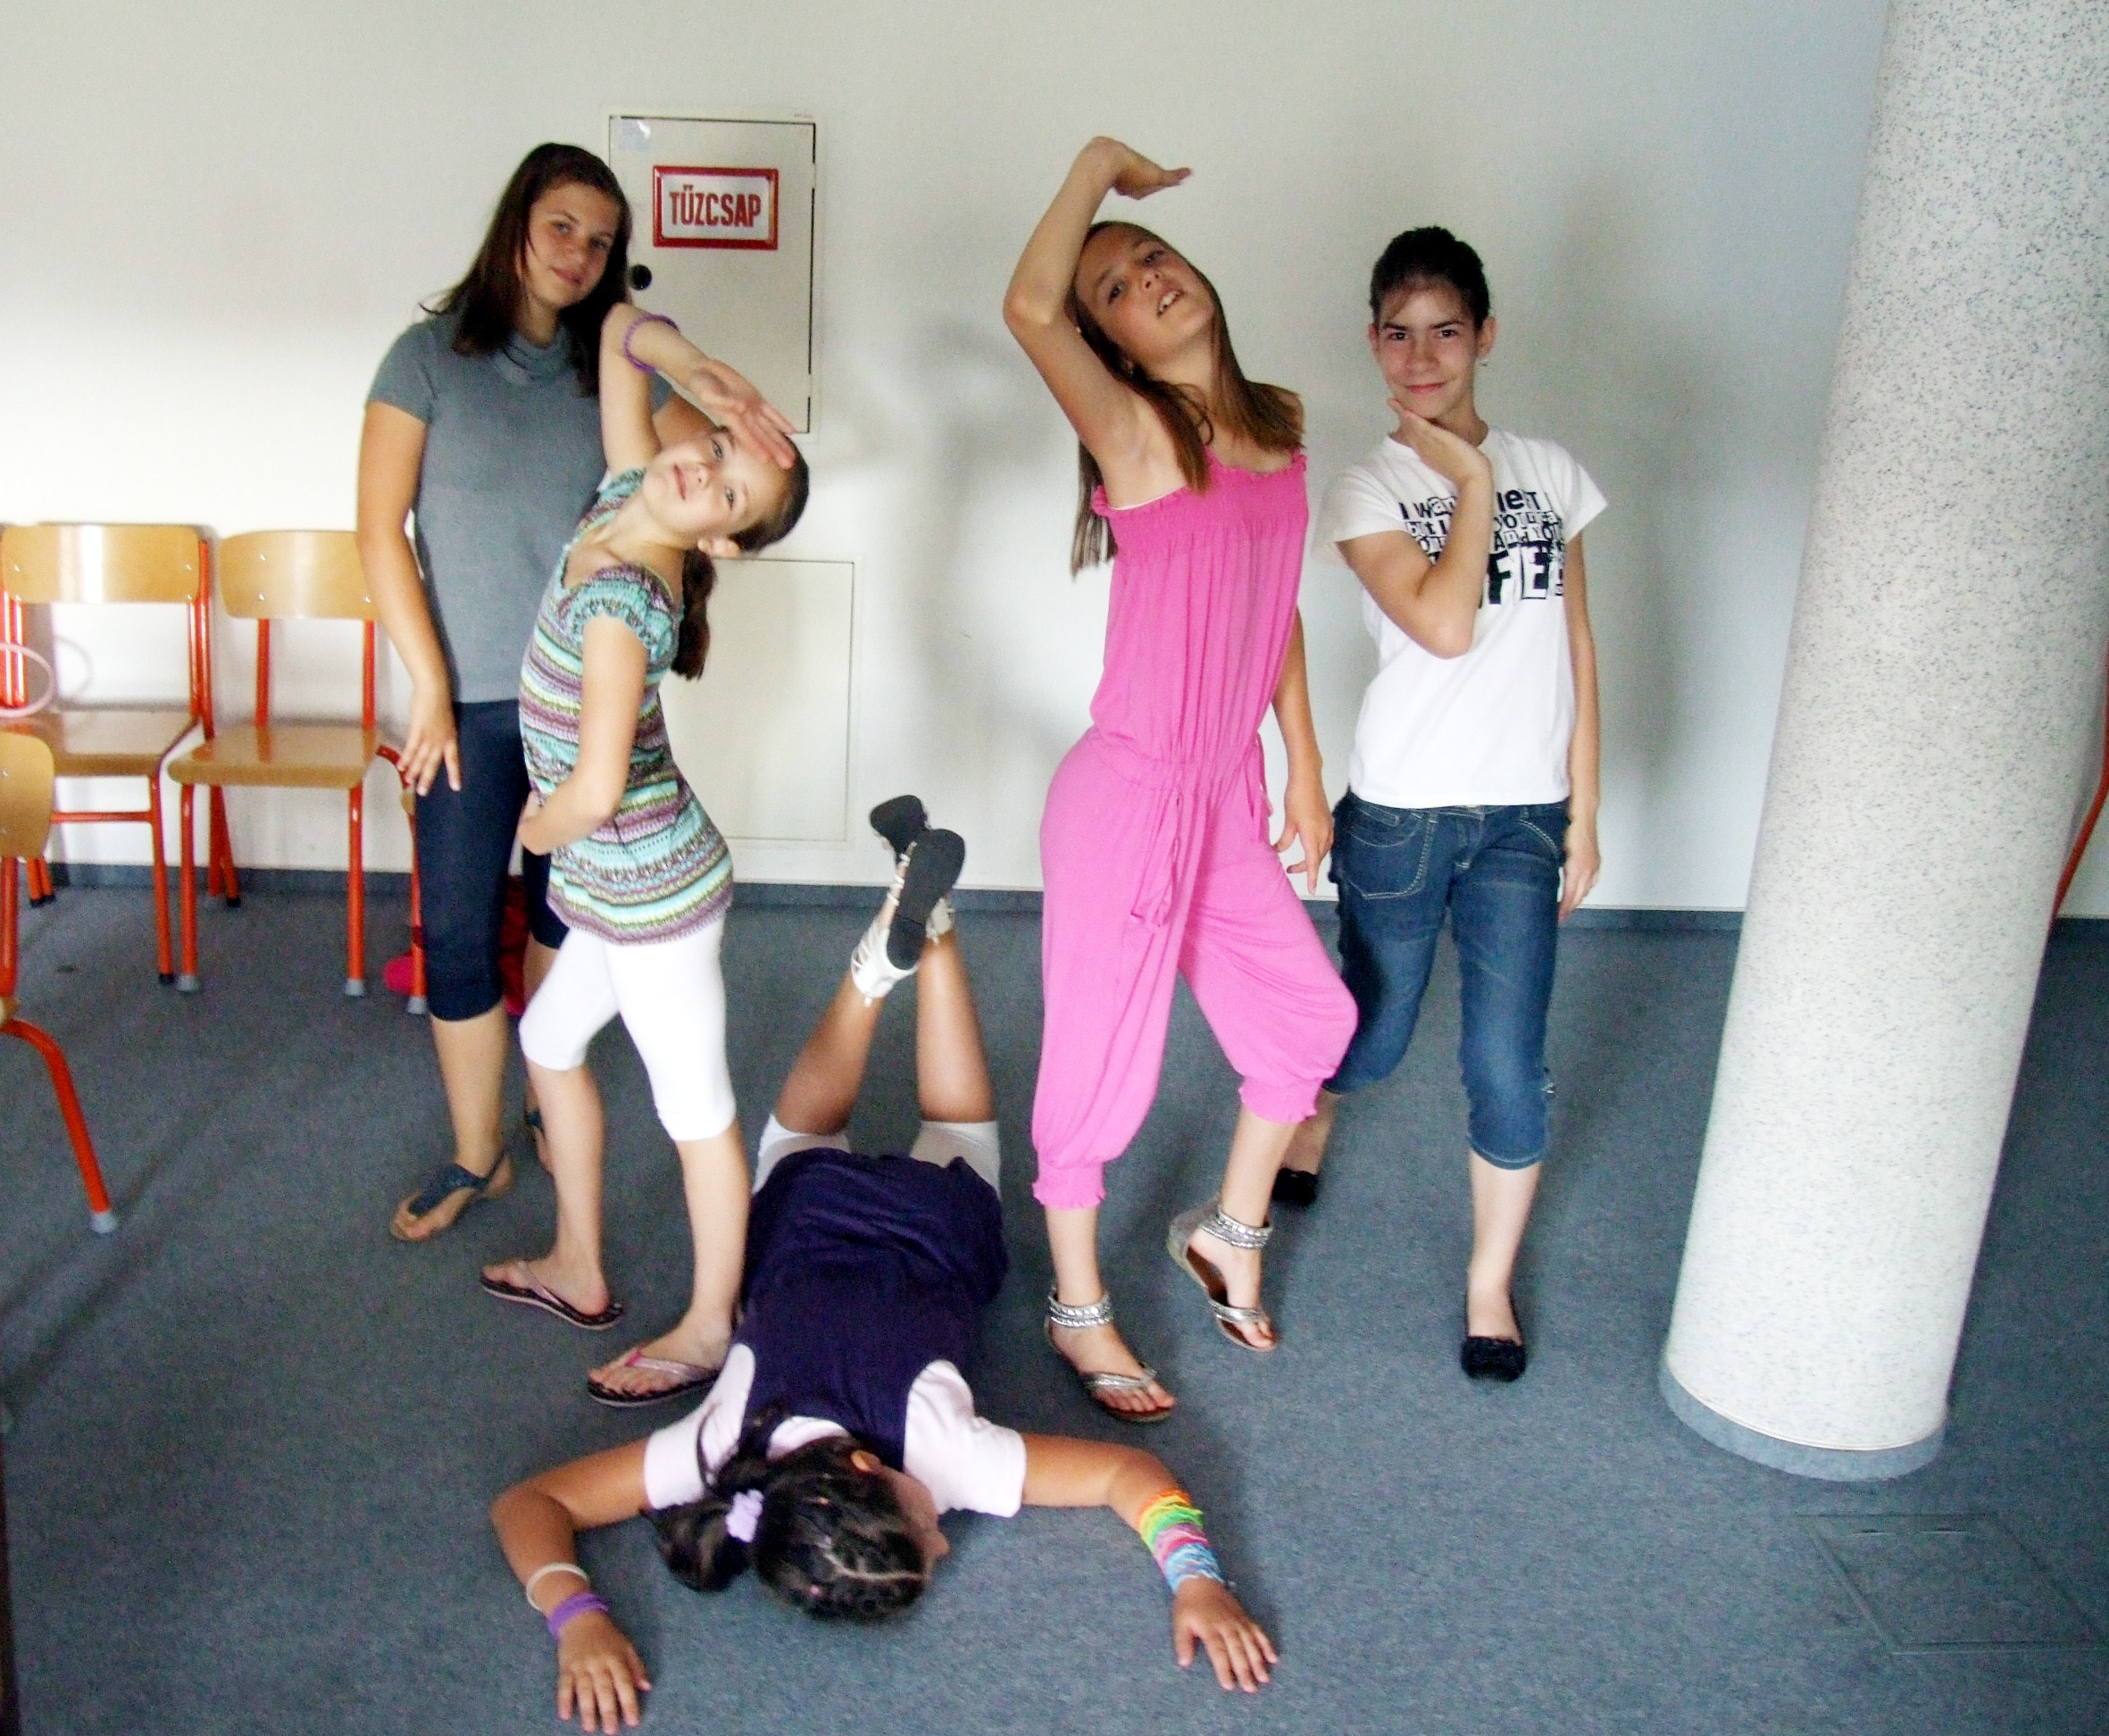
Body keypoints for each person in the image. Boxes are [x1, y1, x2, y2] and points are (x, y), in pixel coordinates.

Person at [490, 814, 1277, 1732]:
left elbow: (1126, 1478)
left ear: (868, 1467)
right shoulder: (720, 1451)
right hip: (808, 1214)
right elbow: (534, 1505)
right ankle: (873, 971)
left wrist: (1197, 1581)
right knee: (804, 1137)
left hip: (939, 1225)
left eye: (925, 1532)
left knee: (957, 1128)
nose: (945, 1542)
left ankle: (934, 931)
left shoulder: (949, 1459)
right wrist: (574, 1614)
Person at [362, 144, 787, 1243]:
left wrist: (699, 377)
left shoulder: (613, 385)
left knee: (566, 915)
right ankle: (478, 1153)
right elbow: (379, 533)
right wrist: (427, 686)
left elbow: (707, 473)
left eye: (601, 241)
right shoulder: (424, 361)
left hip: (583, 718)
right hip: (465, 704)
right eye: (562, 226)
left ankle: (551, 1103)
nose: (580, 254)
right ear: (517, 222)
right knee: (460, 932)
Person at [1001, 138, 1357, 1422]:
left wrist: (1305, 763)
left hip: (1223, 793)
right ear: (1112, 349)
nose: (1147, 279)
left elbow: (1277, 605)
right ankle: (1077, 1307)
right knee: (1107, 1067)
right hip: (1129, 799)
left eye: (1153, 258)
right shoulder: (1139, 434)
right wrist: (1098, 169)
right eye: (1115, 290)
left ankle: (1229, 1234)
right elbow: (1026, 306)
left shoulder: (1277, 430)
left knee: (1310, 1021)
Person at [1277, 228, 1605, 1383]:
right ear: (1373, 343)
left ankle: (1487, 1283)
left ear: (1486, 337)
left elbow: (1575, 642)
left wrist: (1586, 807)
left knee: (1508, 1063)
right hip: (1404, 813)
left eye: (1446, 331)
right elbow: (1446, 626)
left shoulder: (1552, 471)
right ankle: (1313, 1110)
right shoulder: (1369, 487)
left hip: (1522, 816)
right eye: (1399, 334)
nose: (1421, 358)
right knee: (1371, 1039)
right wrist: (1469, 479)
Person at [478, 296, 808, 1406]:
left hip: (655, 896)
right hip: (613, 886)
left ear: (721, 542)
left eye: (727, 492)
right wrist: (702, 369)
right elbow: (621, 329)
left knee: (696, 1109)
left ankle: (713, 1325)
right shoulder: (629, 492)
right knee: (551, 1039)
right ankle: (578, 1266)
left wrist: (532, 830)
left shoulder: (625, 602)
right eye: (712, 448)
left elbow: (597, 786)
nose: (700, 471)